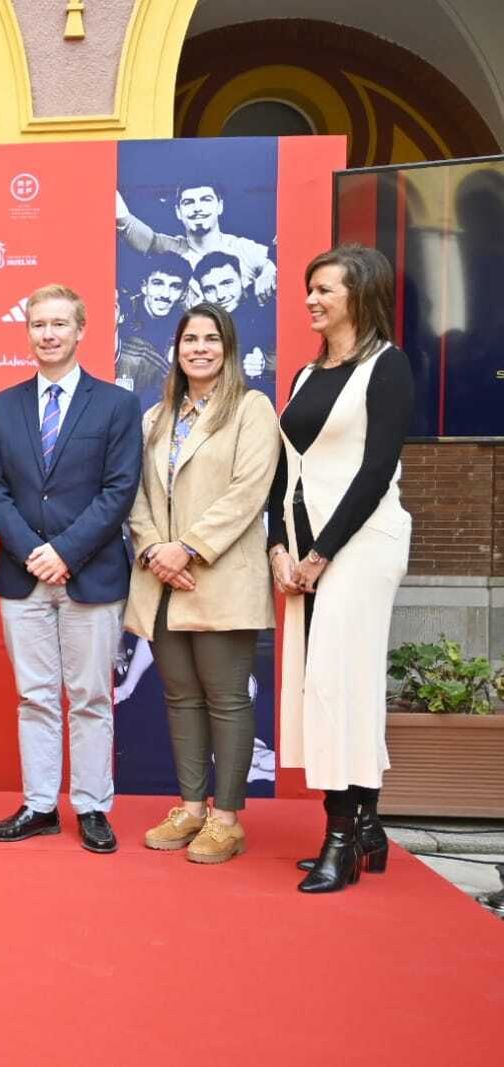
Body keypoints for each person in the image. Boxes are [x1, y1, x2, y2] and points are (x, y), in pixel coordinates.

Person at [268, 244, 413, 894]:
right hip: (304, 550)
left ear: (361, 293)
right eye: (309, 288)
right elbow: (282, 467)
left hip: (360, 543)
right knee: (328, 680)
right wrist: (279, 544)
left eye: (325, 289)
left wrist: (322, 552)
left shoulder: (387, 367)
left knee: (335, 682)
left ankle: (339, 838)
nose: (312, 299)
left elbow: (376, 471)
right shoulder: (303, 375)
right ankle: (369, 827)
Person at [0, 283, 142, 853]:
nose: (47, 335)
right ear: (27, 332)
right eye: (38, 325)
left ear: (80, 331)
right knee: (35, 696)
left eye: (58, 324)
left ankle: (93, 806)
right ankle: (40, 805)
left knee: (91, 697)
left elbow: (119, 490)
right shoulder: (3, 405)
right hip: (24, 578)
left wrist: (66, 552)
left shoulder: (117, 405)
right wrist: (32, 552)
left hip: (91, 575)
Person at [124, 302, 280, 863]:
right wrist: (154, 550)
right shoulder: (156, 416)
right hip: (163, 581)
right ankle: (191, 808)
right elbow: (136, 495)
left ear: (228, 348)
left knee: (227, 699)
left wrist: (186, 548)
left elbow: (249, 490)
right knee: (180, 697)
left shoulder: (252, 409)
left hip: (218, 577)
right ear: (177, 348)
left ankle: (226, 818)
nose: (200, 348)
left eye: (211, 339)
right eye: (190, 339)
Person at [116, 183, 277, 304]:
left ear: (220, 206)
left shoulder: (243, 248)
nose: (197, 208)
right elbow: (130, 226)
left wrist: (270, 269)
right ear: (178, 211)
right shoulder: (172, 248)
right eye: (188, 202)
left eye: (206, 200)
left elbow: (280, 259)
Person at [192, 251, 276, 395]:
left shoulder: (266, 309)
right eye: (210, 289)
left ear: (242, 280)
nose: (220, 295)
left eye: (226, 283)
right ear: (202, 294)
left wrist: (265, 364)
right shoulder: (201, 321)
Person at [115, 253, 191, 410]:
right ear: (144, 286)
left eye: (175, 286)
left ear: (183, 293)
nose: (165, 294)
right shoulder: (122, 312)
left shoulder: (186, 326)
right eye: (158, 283)